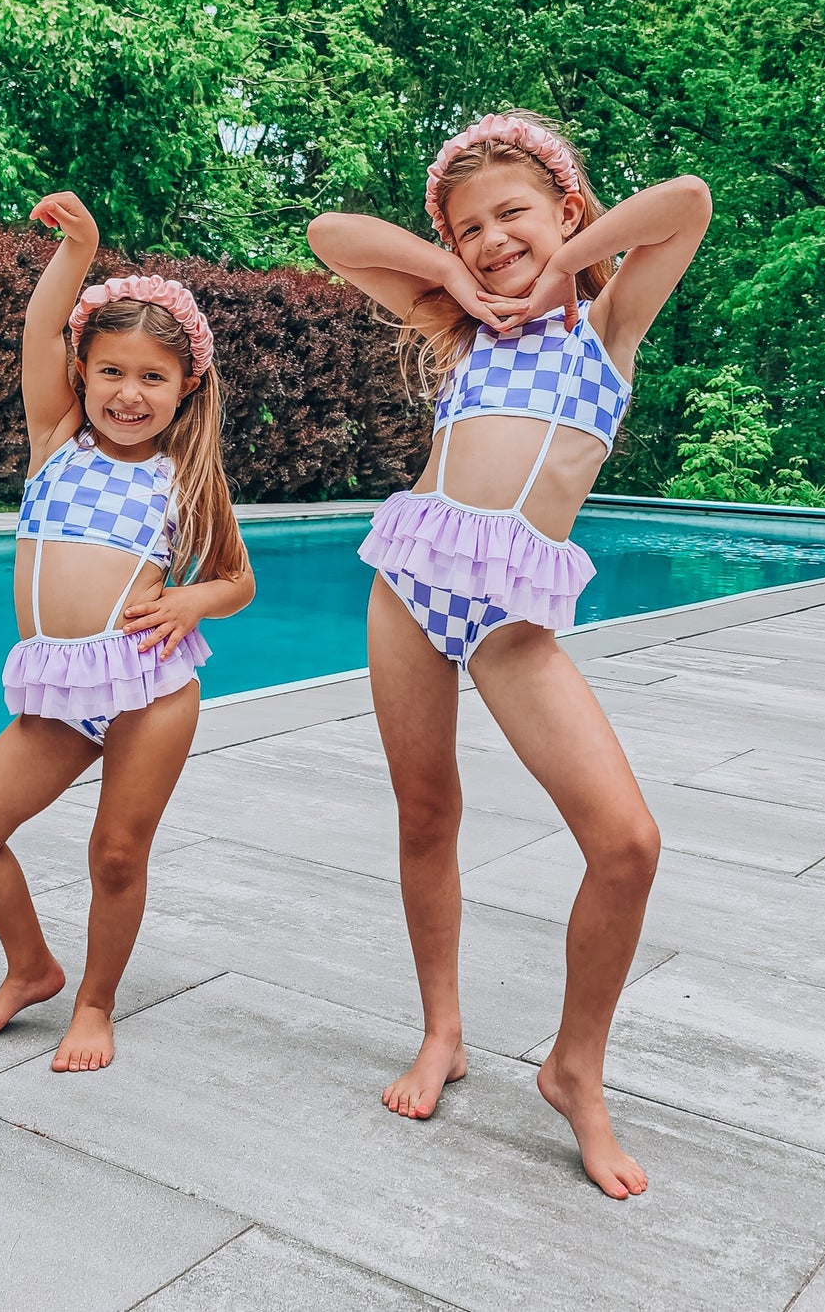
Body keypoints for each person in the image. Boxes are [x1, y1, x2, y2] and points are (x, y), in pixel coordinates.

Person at [307, 111, 711, 1198]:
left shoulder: (603, 328)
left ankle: (573, 1068)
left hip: (507, 617)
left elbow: (684, 202)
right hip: (406, 586)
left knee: (624, 841)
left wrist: (565, 265)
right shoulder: (462, 327)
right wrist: (446, 264)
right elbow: (328, 234)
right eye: (468, 224)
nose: (491, 240)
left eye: (511, 216)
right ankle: (441, 1030)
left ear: (567, 210)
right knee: (424, 813)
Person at [0, 190, 253, 1073]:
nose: (128, 392)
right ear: (83, 371)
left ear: (185, 386)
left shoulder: (185, 477)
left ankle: (95, 1002)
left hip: (150, 685)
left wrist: (194, 601)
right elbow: (40, 332)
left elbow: (237, 580)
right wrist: (76, 253)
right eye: (111, 370)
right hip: (60, 684)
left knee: (114, 853)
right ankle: (32, 965)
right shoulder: (56, 438)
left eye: (152, 377)